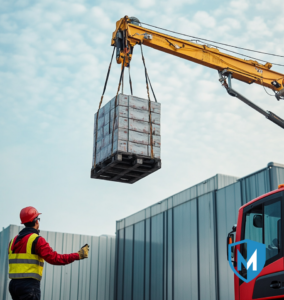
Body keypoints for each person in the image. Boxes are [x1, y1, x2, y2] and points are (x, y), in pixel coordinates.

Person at [8, 206, 89, 300]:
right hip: (28, 286)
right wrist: (77, 255)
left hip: (13, 286)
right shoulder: (37, 240)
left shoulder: (12, 241)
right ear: (36, 221)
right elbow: (55, 258)